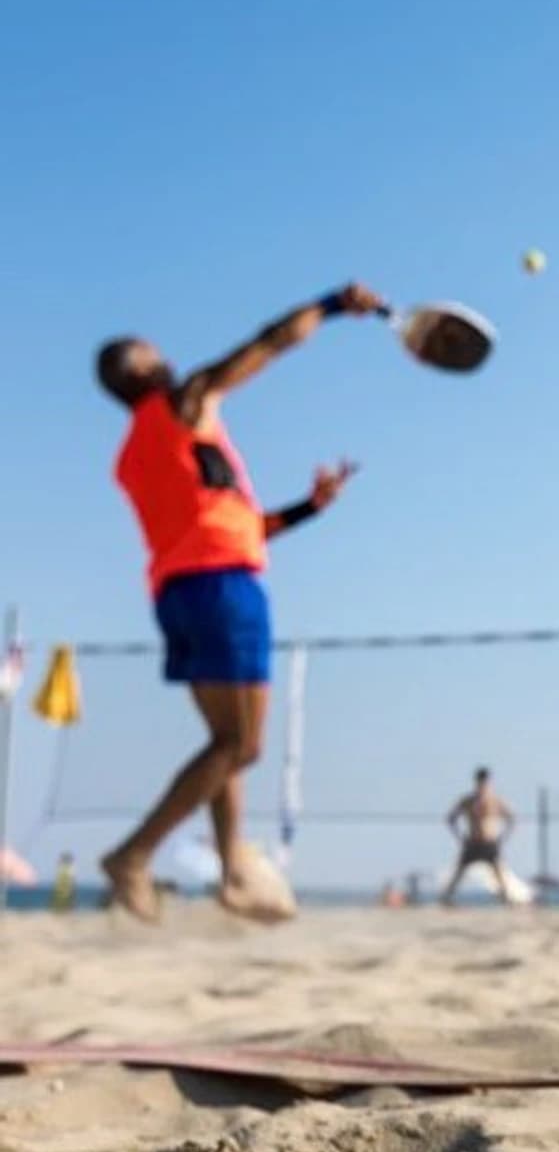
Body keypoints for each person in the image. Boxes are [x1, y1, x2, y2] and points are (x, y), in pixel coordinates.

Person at [94, 282, 384, 921]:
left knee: (224, 742)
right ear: (139, 370)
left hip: (179, 593)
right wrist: (335, 304)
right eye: (152, 351)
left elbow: (235, 522)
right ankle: (133, 855)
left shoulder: (141, 452)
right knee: (242, 746)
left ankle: (234, 874)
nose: (165, 354)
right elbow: (269, 344)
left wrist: (310, 506)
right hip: (223, 589)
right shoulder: (183, 402)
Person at [442, 769, 516, 906]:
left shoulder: (496, 800)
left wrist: (502, 837)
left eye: (485, 782)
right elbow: (450, 819)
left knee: (498, 871)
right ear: (476, 782)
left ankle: (506, 899)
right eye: (480, 782)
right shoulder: (468, 801)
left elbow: (511, 819)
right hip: (472, 842)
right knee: (459, 871)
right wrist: (460, 837)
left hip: (489, 842)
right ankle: (446, 898)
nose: (482, 785)